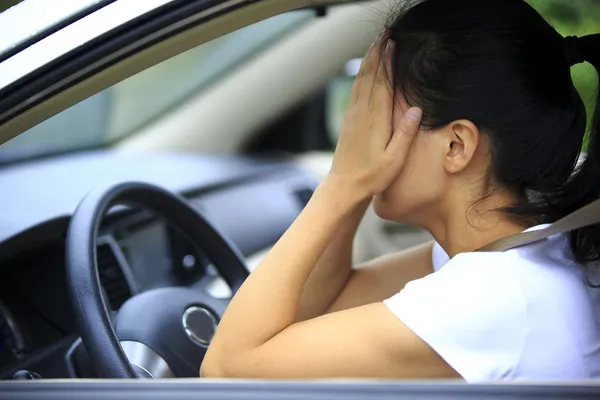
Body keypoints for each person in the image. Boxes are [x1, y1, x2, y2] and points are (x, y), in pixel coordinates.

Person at [202, 0, 600, 381]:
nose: (362, 137)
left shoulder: (495, 297)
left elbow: (225, 369)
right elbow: (320, 307)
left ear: (456, 146)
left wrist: (343, 182)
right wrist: (351, 184)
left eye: (377, 118)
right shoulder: (515, 252)